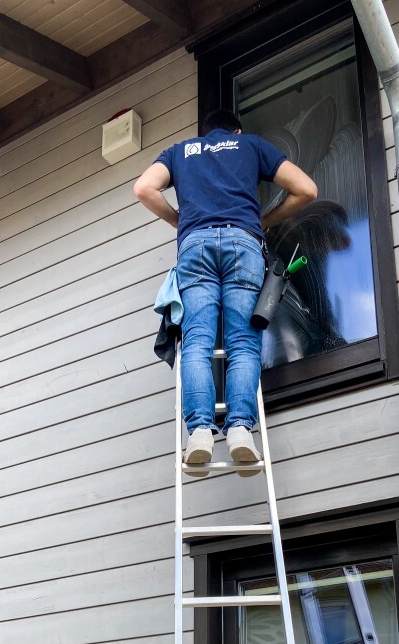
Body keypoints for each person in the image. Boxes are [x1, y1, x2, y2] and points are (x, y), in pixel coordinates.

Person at [133, 109, 317, 473]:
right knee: (243, 344)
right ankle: (239, 432)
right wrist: (264, 220)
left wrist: (180, 222)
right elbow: (307, 190)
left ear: (204, 134)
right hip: (243, 243)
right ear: (236, 129)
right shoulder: (250, 145)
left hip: (195, 246)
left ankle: (199, 432)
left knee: (198, 341)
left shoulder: (179, 151)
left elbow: (143, 188)